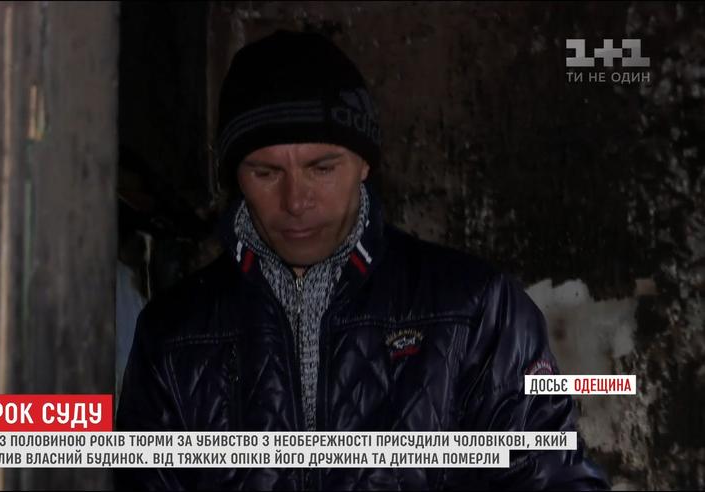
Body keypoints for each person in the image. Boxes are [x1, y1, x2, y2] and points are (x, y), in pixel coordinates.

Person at [116, 29, 609, 490]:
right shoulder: (173, 335)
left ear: (365, 162)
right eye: (265, 173)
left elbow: (553, 477)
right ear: (235, 177)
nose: (296, 201)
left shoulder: (477, 309)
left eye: (322, 168)